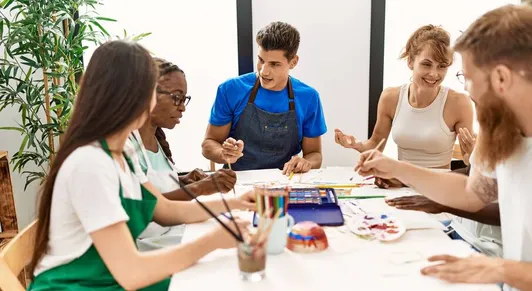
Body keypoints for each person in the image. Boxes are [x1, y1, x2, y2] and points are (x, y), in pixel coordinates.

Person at [355, 4, 532, 290]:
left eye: (468, 78)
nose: (466, 90)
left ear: (501, 78)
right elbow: (473, 193)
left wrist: (501, 269)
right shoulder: (503, 129)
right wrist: (395, 167)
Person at [28, 40, 254, 291]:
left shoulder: (124, 151)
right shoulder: (90, 164)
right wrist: (214, 241)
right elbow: (132, 273)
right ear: (132, 96)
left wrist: (236, 203)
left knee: (219, 274)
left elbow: (166, 210)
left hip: (107, 280)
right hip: (80, 287)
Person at [127, 57, 239, 251]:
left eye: (184, 99)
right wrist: (201, 188)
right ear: (147, 94)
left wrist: (184, 181)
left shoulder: (156, 141)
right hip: (149, 246)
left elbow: (154, 188)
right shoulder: (127, 146)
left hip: (173, 232)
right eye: (176, 97)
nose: (182, 107)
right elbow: (148, 208)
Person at [334, 24, 476, 176]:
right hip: (399, 184)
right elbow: (375, 145)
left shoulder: (459, 103)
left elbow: (468, 160)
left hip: (438, 188)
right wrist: (356, 145)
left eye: (442, 66)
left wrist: (475, 154)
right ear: (410, 62)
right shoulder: (390, 97)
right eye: (426, 64)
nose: (434, 74)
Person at [202, 21, 327, 175]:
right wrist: (224, 153)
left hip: (284, 181)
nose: (264, 72)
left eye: (274, 64)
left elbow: (315, 154)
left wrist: (306, 162)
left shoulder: (309, 97)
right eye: (261, 60)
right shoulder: (230, 90)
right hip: (238, 181)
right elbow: (208, 144)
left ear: (293, 62)